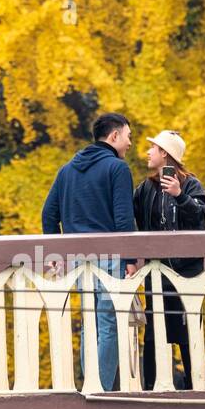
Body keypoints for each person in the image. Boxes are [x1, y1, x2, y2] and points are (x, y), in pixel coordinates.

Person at [41, 112, 137, 391]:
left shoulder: (67, 170)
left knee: (88, 323)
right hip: (109, 259)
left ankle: (90, 385)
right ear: (114, 136)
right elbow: (123, 221)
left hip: (76, 261)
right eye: (128, 136)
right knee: (108, 324)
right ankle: (102, 391)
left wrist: (57, 253)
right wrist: (130, 258)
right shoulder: (117, 169)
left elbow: (48, 214)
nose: (130, 143)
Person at [133, 130, 205, 390]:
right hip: (157, 273)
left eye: (152, 148)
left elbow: (200, 217)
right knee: (154, 332)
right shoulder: (145, 188)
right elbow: (133, 223)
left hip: (187, 274)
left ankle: (195, 387)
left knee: (189, 333)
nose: (147, 152)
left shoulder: (190, 184)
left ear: (164, 153)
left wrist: (180, 195)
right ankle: (151, 388)